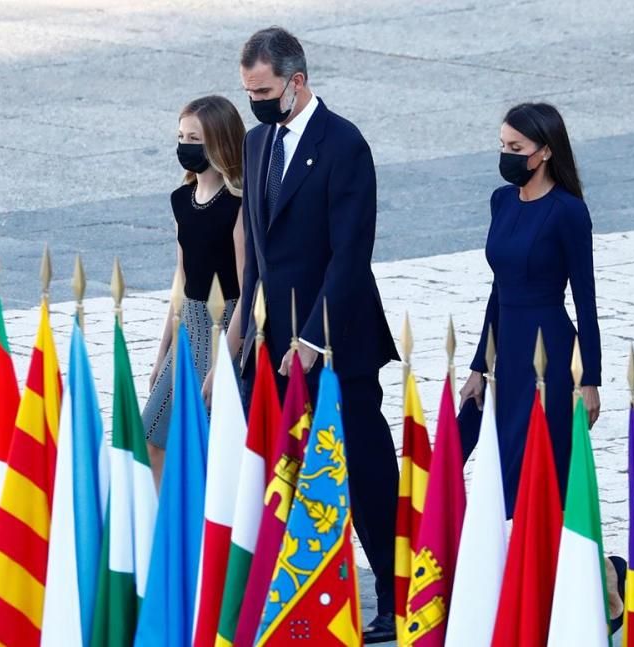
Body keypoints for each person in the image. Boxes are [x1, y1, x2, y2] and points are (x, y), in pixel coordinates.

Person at [234, 27, 400, 643]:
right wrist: (245, 328)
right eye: (248, 89)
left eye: (264, 89)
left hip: (337, 344)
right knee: (281, 473)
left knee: (362, 470)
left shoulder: (343, 144)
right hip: (271, 344)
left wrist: (311, 337)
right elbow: (257, 251)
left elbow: (350, 254)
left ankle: (393, 590)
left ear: (296, 82)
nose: (255, 100)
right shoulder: (256, 144)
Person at [458, 102, 626, 630]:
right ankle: (580, 576)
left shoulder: (569, 212)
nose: (507, 157)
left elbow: (587, 298)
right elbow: (495, 290)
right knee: (498, 469)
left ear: (546, 151)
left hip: (552, 357)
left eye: (517, 149)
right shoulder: (500, 201)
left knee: (546, 473)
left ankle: (593, 580)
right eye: (503, 147)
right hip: (506, 354)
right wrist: (478, 366)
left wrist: (591, 378)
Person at [143, 95, 246, 487]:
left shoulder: (237, 206)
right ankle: (162, 532)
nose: (185, 146)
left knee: (209, 448)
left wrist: (227, 360)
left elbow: (248, 282)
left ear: (219, 144)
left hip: (227, 328)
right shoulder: (181, 200)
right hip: (189, 329)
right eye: (181, 136)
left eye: (195, 138)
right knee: (152, 435)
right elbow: (182, 277)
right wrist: (162, 351)